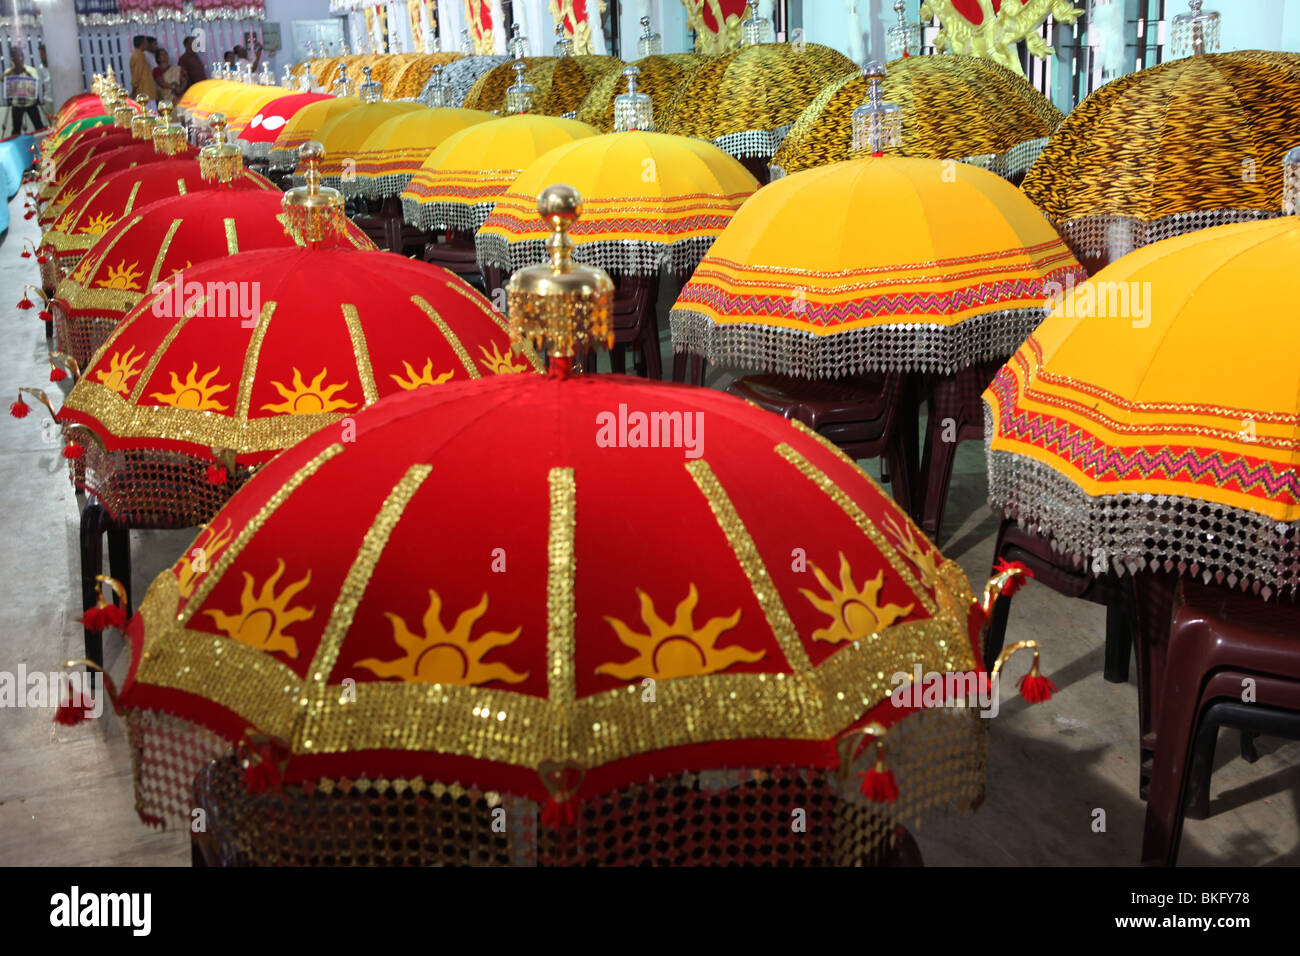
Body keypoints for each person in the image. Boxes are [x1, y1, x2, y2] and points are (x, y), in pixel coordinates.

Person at [3, 47, 44, 135]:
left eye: (20, 57)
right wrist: (12, 69)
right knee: (16, 130)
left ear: (23, 57)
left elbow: (36, 81)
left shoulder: (31, 69)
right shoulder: (9, 71)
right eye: (16, 58)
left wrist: (24, 70)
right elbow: (2, 79)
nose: (19, 59)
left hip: (31, 103)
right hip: (16, 105)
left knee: (39, 127)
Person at [129, 35, 158, 101]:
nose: (148, 44)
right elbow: (137, 76)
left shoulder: (141, 55)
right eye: (146, 42)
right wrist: (134, 91)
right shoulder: (138, 56)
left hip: (147, 90)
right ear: (142, 44)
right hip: (144, 91)